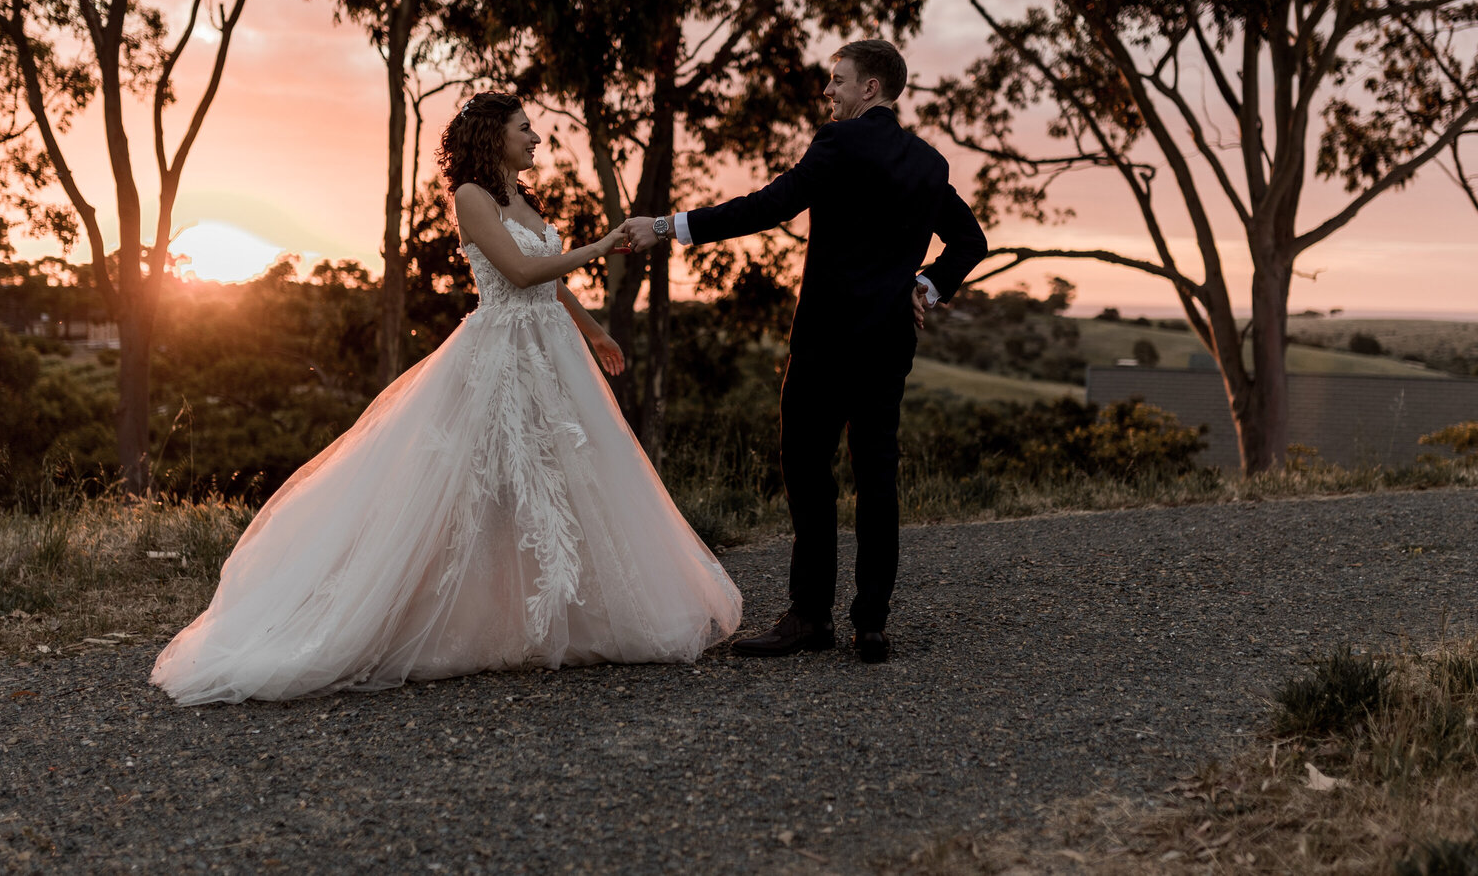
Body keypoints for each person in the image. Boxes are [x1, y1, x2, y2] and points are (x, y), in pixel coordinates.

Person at [152, 92, 741, 705]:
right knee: (475, 487)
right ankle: (441, 619)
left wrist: (591, 329)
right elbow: (517, 272)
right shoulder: (472, 198)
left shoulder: (523, 199)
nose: (536, 138)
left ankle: (552, 615)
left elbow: (549, 278)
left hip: (551, 349)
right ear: (494, 137)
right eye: (525, 128)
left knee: (564, 480)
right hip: (500, 355)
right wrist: (602, 247)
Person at [624, 40, 987, 664]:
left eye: (838, 80)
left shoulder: (839, 143)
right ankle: (870, 626)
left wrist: (666, 227)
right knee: (878, 478)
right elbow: (970, 240)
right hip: (887, 345)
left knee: (807, 472)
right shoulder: (928, 164)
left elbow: (769, 206)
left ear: (870, 88)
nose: (829, 91)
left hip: (825, 342)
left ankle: (809, 617)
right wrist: (924, 286)